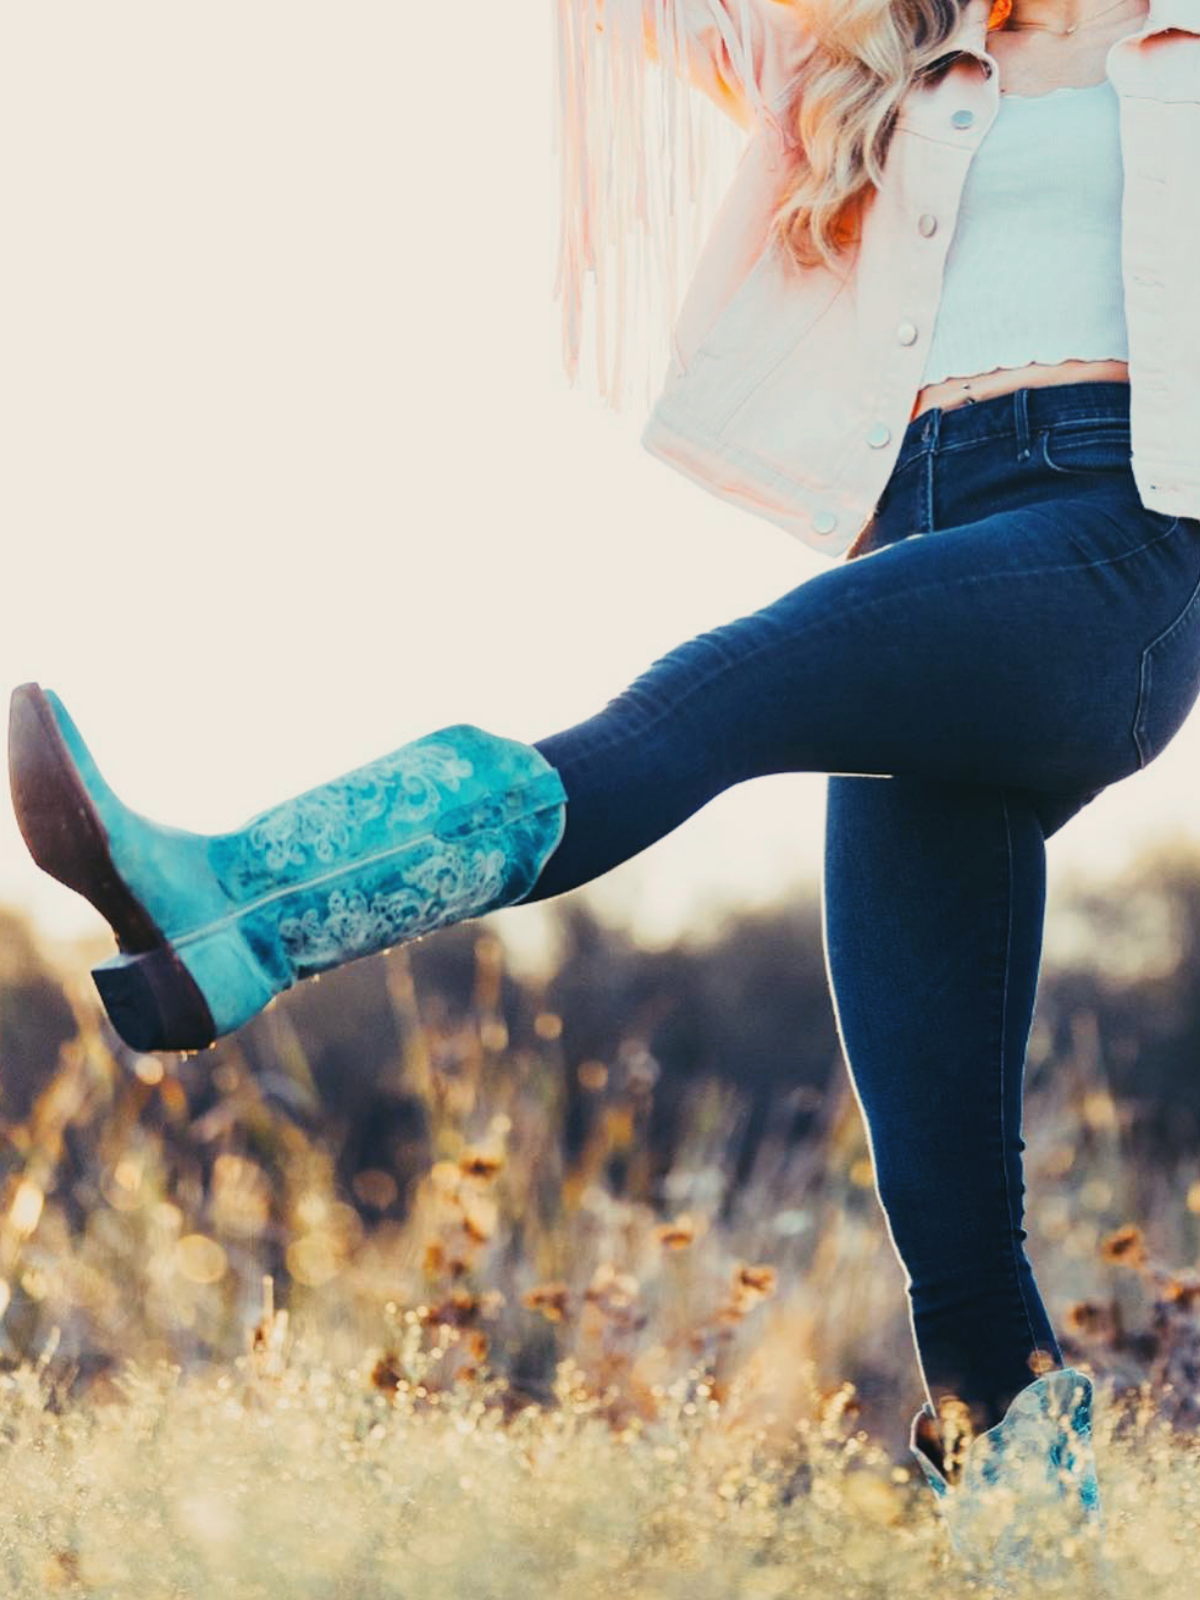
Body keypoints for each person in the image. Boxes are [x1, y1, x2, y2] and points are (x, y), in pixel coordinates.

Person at [9, 0, 1197, 1585]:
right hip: (916, 577)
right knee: (954, 1239)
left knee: (702, 700)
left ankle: (238, 898)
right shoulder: (893, 64)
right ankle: (1055, 1569)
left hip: (1113, 554)